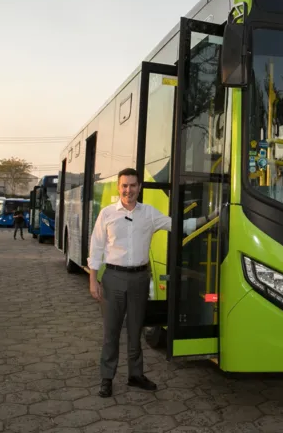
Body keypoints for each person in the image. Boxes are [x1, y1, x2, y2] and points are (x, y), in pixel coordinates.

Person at [88, 168, 218, 398]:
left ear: (139, 187)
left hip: (139, 278)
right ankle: (106, 378)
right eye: (124, 185)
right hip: (113, 278)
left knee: (136, 329)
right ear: (119, 187)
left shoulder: (148, 213)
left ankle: (135, 375)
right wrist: (93, 280)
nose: (129, 190)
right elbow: (96, 248)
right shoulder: (107, 214)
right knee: (112, 332)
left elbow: (178, 225)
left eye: (133, 185)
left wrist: (209, 218)